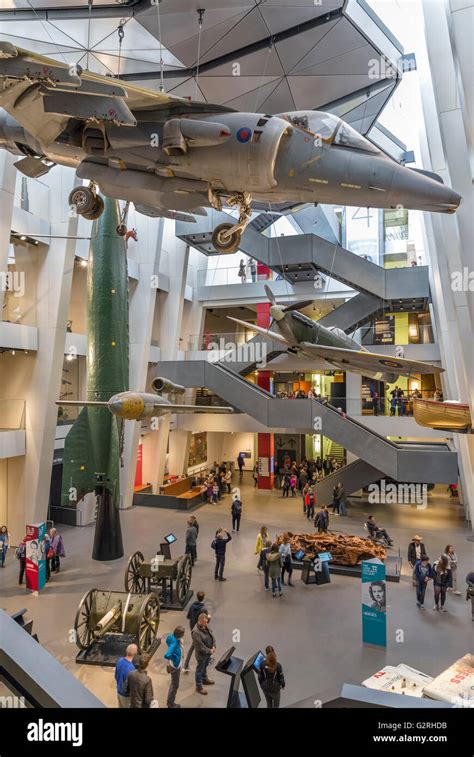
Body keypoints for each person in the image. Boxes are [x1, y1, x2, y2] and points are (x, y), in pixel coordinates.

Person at [183, 591, 209, 672]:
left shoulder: (192, 606)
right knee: (196, 645)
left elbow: (188, 616)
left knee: (195, 645)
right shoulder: (204, 609)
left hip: (192, 627)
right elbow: (205, 621)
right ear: (203, 597)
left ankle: (187, 664)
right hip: (200, 629)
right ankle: (187, 664)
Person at [192, 613, 216, 695]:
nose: (206, 624)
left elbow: (212, 636)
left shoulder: (206, 625)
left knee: (205, 666)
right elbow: (200, 646)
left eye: (207, 622)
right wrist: (210, 651)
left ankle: (205, 679)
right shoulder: (196, 632)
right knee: (199, 670)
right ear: (200, 621)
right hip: (202, 655)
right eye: (205, 622)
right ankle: (198, 686)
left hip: (208, 653)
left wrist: (213, 646)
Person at [164, 625, 185, 708]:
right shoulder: (174, 643)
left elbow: (167, 641)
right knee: (174, 685)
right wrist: (174, 658)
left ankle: (170, 702)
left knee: (174, 684)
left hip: (174, 664)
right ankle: (170, 704)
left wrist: (179, 641)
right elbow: (167, 655)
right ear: (181, 635)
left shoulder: (171, 637)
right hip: (175, 666)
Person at [114, 643, 137, 708]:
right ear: (135, 653)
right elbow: (130, 685)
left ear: (126, 650)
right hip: (126, 696)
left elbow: (116, 675)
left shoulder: (120, 660)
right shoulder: (131, 668)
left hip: (119, 691)